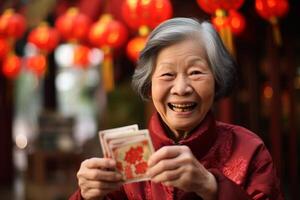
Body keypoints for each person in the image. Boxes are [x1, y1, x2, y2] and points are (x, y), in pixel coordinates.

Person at [69, 18, 283, 200]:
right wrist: (86, 195)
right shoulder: (125, 157)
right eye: (167, 75)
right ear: (149, 84)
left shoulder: (249, 150)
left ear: (216, 80)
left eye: (196, 72)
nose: (181, 89)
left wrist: (211, 187)